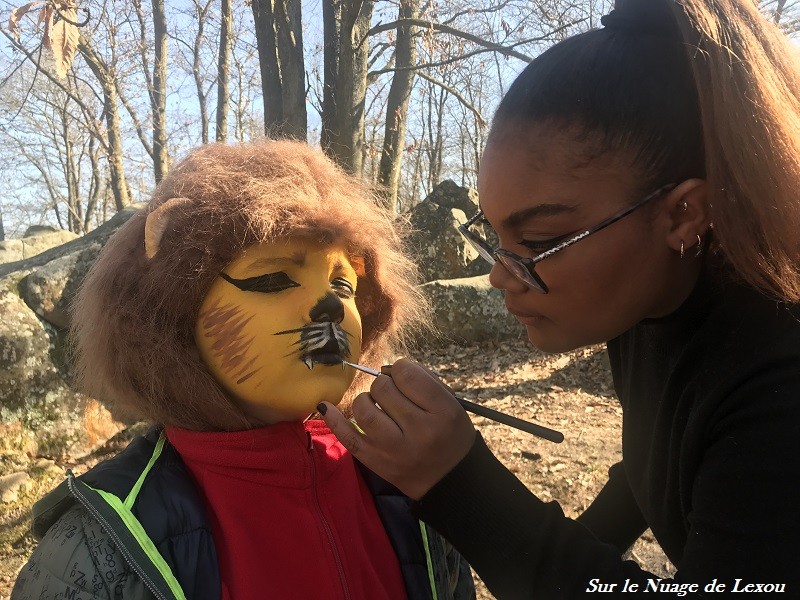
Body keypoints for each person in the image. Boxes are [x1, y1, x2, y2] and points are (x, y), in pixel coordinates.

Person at [319, 0, 800, 597]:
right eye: (493, 237)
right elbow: (661, 465)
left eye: (539, 240)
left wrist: (460, 485)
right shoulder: (653, 302)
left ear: (683, 214)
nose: (500, 274)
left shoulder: (780, 386)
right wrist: (586, 541)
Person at [11, 140, 475, 600]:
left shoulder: (405, 481)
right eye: (272, 280)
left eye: (342, 284)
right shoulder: (99, 551)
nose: (330, 306)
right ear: (173, 321)